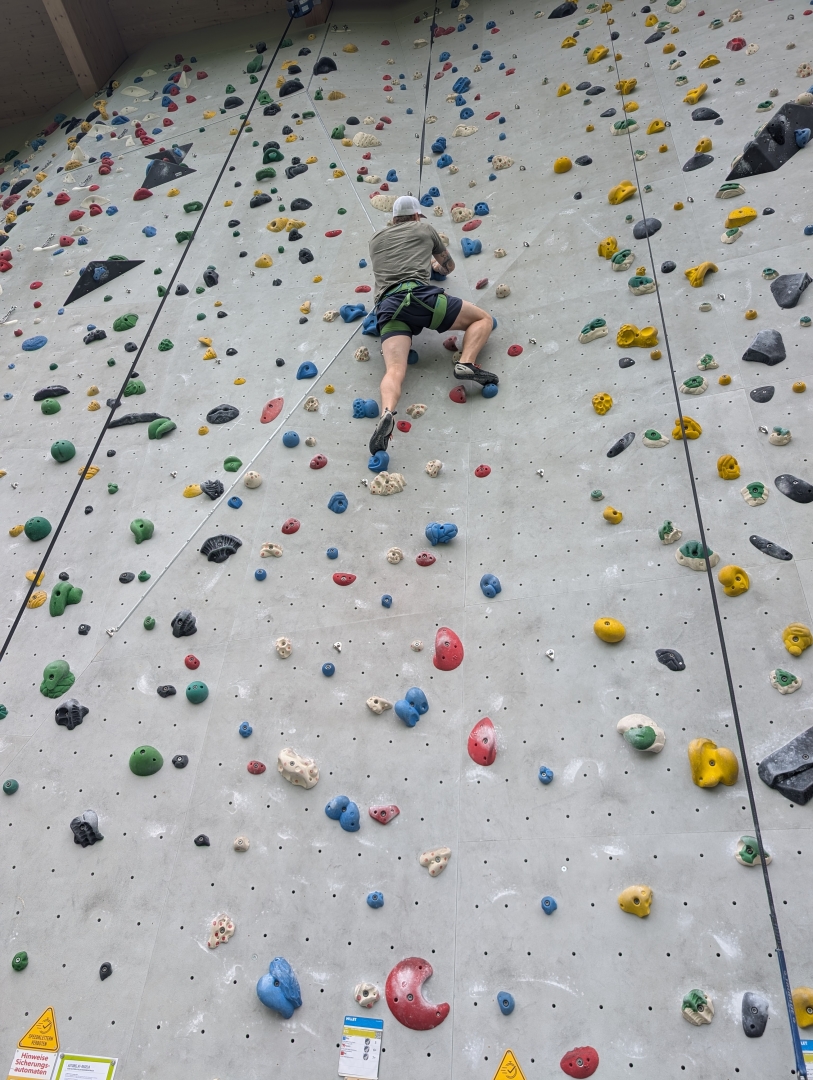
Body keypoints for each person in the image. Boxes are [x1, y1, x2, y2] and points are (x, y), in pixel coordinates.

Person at [366, 194, 497, 454]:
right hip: (421, 298)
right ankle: (466, 363)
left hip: (388, 308)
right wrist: (434, 265)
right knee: (483, 319)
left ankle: (387, 412)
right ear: (417, 215)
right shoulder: (424, 228)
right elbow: (448, 267)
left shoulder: (375, 240)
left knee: (394, 369)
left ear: (393, 218)